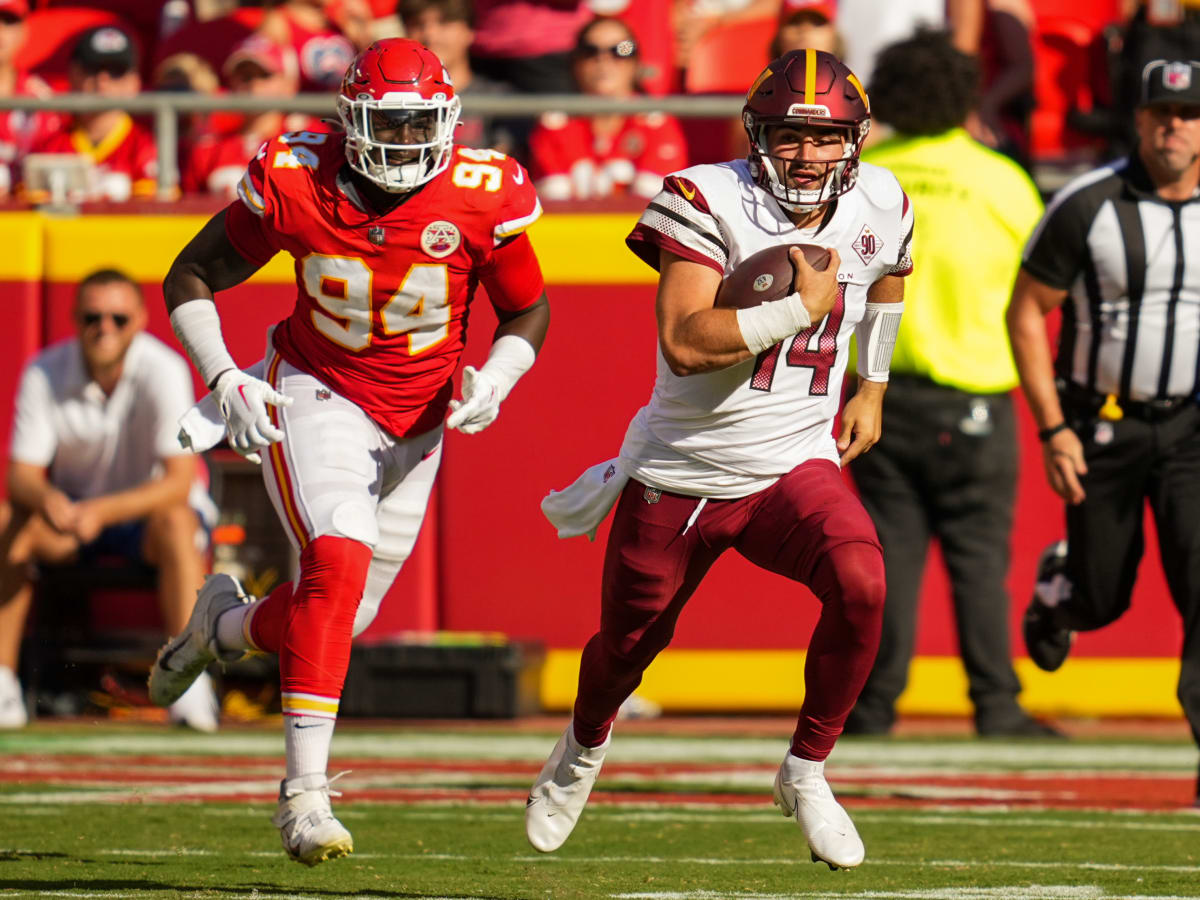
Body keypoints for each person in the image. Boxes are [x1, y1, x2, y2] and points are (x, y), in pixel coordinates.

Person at [149, 37, 549, 865]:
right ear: (351, 120)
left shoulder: (484, 191)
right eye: (387, 125)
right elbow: (189, 275)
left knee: (339, 615)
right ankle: (303, 798)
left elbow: (527, 311)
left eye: (418, 126)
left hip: (423, 420)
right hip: (317, 391)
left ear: (447, 120)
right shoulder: (296, 177)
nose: (404, 144)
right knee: (337, 562)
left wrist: (500, 376)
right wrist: (224, 375)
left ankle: (220, 629)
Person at [526, 48, 911, 869]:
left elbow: (888, 280)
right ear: (755, 133)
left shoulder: (883, 197)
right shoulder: (706, 197)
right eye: (788, 137)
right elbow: (686, 341)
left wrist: (871, 385)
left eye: (827, 138)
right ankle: (583, 746)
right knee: (628, 646)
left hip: (792, 463)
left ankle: (806, 771)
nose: (808, 156)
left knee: (863, 583)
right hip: (683, 469)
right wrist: (794, 313)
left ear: (858, 139)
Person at [841, 29, 1056, 739]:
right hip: (976, 400)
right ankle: (997, 705)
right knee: (979, 561)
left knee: (887, 561)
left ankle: (871, 708)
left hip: (879, 396)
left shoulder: (866, 176)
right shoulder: (999, 179)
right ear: (965, 93)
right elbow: (1046, 285)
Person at [1009, 58, 1200, 803]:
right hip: (1102, 424)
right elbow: (1026, 312)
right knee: (1104, 595)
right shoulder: (1089, 203)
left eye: (1187, 113)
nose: (1174, 125)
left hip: (1190, 426)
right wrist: (1054, 427)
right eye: (1160, 112)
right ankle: (1063, 590)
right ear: (1137, 120)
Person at [0, 269, 215, 731]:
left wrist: (101, 512)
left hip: (146, 523)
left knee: (179, 522)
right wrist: (49, 500)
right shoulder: (44, 369)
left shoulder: (165, 369)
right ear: (76, 319)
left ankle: (189, 684)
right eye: (93, 317)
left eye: (118, 318)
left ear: (139, 320)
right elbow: (21, 476)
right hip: (73, 519)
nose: (105, 328)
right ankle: (2, 683)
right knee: (6, 522)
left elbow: (179, 481)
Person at [528, 16, 687, 201]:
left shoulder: (657, 123)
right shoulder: (554, 124)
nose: (603, 60)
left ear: (636, 63)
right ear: (575, 63)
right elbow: (553, 204)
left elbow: (658, 207)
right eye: (590, 51)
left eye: (622, 50)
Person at [25, 26, 157, 203]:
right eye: (92, 68)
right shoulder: (50, 144)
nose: (102, 79)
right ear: (72, 74)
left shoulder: (147, 146)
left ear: (135, 81)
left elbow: (153, 215)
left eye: (116, 71)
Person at [181, 35, 312, 198]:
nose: (253, 85)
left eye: (264, 75)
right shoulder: (208, 148)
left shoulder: (309, 140)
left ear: (289, 83)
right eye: (245, 77)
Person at [398, 0, 520, 155]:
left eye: (444, 22)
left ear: (469, 30)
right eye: (417, 24)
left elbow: (502, 164)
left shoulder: (502, 98)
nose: (430, 34)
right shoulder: (394, 101)